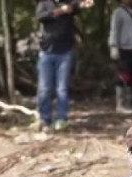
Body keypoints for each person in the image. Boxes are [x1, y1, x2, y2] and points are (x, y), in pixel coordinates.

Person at [35, 0, 94, 131]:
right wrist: (61, 11)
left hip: (65, 52)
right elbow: (41, 17)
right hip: (46, 52)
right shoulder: (44, 3)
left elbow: (77, 6)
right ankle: (45, 119)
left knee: (62, 89)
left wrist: (84, 4)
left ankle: (62, 119)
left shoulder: (69, 3)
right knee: (45, 89)